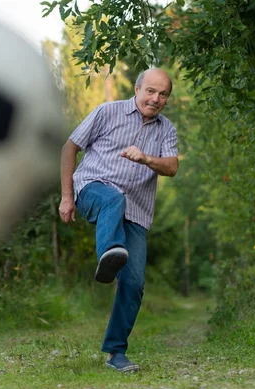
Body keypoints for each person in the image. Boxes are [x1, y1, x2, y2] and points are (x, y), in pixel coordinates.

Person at [58, 68, 179, 372]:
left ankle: (115, 352)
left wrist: (146, 158)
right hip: (93, 189)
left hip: (137, 210)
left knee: (135, 282)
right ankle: (109, 254)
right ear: (137, 89)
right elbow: (69, 147)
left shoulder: (166, 130)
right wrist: (66, 197)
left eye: (163, 94)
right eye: (151, 91)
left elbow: (172, 167)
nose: (156, 98)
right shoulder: (107, 112)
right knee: (114, 197)